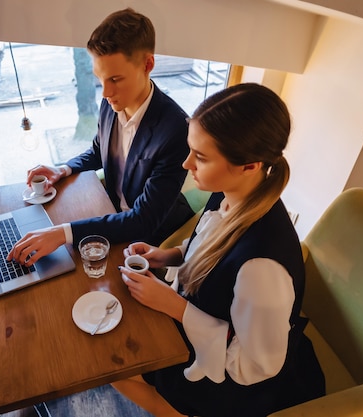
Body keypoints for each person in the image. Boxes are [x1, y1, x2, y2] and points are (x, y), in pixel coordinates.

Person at [114, 83, 325, 417]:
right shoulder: (229, 192)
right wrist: (167, 255)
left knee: (119, 370)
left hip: (236, 379)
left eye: (200, 157)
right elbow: (212, 246)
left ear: (249, 165)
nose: (186, 164)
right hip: (201, 321)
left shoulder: (262, 268)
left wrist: (175, 306)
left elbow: (255, 366)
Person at [7, 8, 194, 267]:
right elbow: (99, 150)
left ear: (148, 64)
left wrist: (63, 234)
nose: (105, 91)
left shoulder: (175, 130)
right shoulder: (112, 101)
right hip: (110, 209)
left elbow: (142, 220)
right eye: (101, 78)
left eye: (116, 79)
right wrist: (63, 168)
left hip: (149, 233)